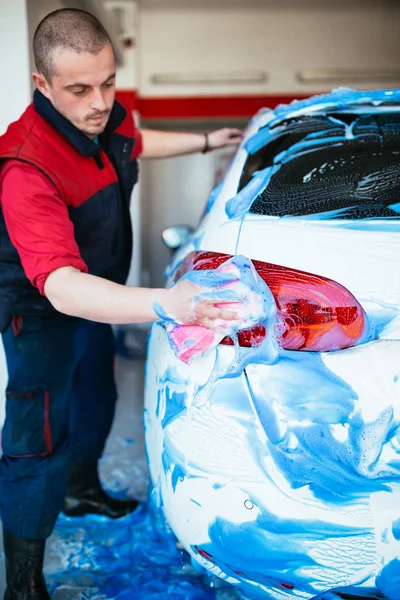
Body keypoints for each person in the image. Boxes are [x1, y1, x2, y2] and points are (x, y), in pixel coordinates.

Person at [0, 8, 243, 600]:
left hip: (102, 296)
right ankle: (23, 582)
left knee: (97, 393)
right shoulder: (24, 167)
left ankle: (82, 487)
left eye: (107, 82)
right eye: (80, 89)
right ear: (43, 86)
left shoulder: (100, 118)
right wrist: (167, 304)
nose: (99, 101)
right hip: (42, 311)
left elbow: (133, 143)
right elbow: (59, 284)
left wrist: (210, 140)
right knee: (40, 436)